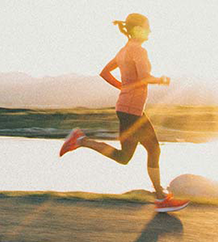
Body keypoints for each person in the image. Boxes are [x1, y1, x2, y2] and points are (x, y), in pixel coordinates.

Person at [59, 13, 190, 212]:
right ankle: (161, 197)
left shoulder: (123, 51)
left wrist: (123, 87)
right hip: (132, 111)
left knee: (124, 157)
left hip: (127, 108)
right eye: (147, 27)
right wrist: (161, 79)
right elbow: (145, 77)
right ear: (138, 29)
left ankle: (81, 139)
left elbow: (104, 73)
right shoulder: (139, 51)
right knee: (154, 149)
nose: (150, 31)